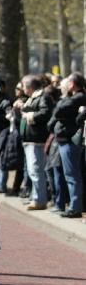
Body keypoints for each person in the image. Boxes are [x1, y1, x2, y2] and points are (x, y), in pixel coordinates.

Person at [48, 73, 85, 218]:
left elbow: (58, 110)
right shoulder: (75, 98)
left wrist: (62, 110)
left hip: (69, 141)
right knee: (71, 174)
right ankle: (74, 205)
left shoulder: (78, 97)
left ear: (72, 84)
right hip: (66, 140)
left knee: (72, 175)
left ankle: (75, 208)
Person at [16, 75, 54, 211]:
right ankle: (35, 197)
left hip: (37, 140)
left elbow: (46, 113)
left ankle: (39, 200)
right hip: (30, 140)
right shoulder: (33, 98)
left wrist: (29, 115)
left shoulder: (43, 97)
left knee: (36, 171)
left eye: (24, 86)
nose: (23, 88)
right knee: (33, 171)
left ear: (30, 87)